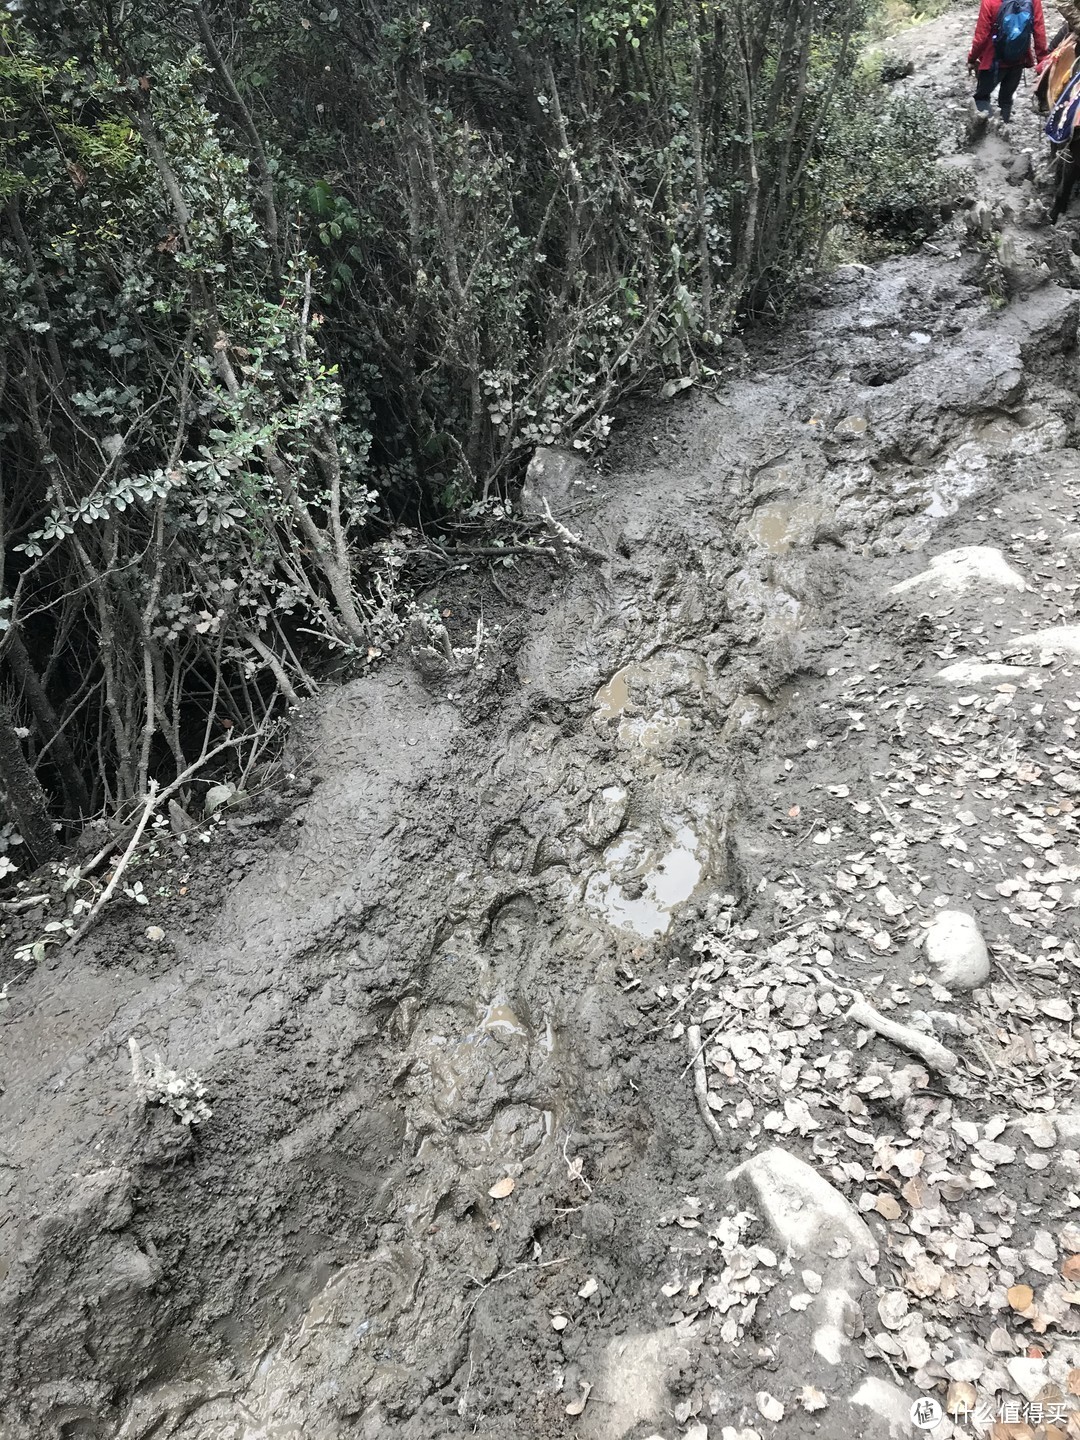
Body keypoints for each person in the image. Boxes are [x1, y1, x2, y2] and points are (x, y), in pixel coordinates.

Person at [967, 0, 1048, 121]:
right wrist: (1042, 63)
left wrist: (972, 59)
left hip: (992, 61)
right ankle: (1002, 132)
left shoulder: (989, 2)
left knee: (981, 97)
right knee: (1006, 100)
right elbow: (1039, 31)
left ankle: (986, 134)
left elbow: (981, 36)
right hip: (1018, 59)